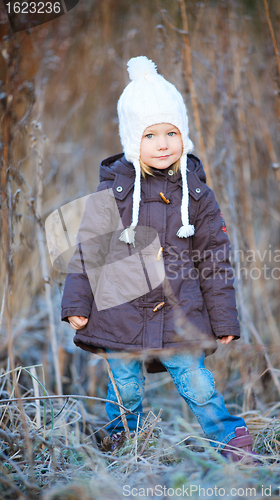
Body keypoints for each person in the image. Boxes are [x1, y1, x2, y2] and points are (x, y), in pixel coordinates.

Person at [61, 56, 255, 462]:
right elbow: (88, 251)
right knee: (125, 388)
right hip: (120, 312)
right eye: (150, 135)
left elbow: (215, 261)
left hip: (181, 312)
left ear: (184, 136)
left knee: (197, 382)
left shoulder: (198, 196)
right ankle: (120, 445)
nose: (163, 143)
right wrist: (77, 303)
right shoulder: (112, 195)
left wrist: (223, 320)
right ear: (133, 140)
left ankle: (231, 439)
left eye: (171, 132)